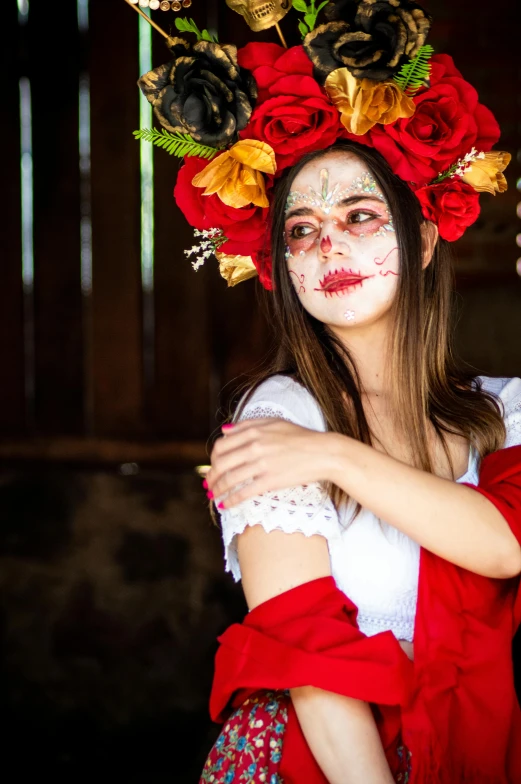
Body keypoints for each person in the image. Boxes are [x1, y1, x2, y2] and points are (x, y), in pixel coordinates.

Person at [132, 1, 520, 780]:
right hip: (324, 759)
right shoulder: (276, 416)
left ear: (419, 240)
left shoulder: (502, 408)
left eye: (358, 214)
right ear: (280, 264)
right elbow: (309, 653)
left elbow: (502, 546)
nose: (329, 243)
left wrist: (336, 459)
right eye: (300, 229)